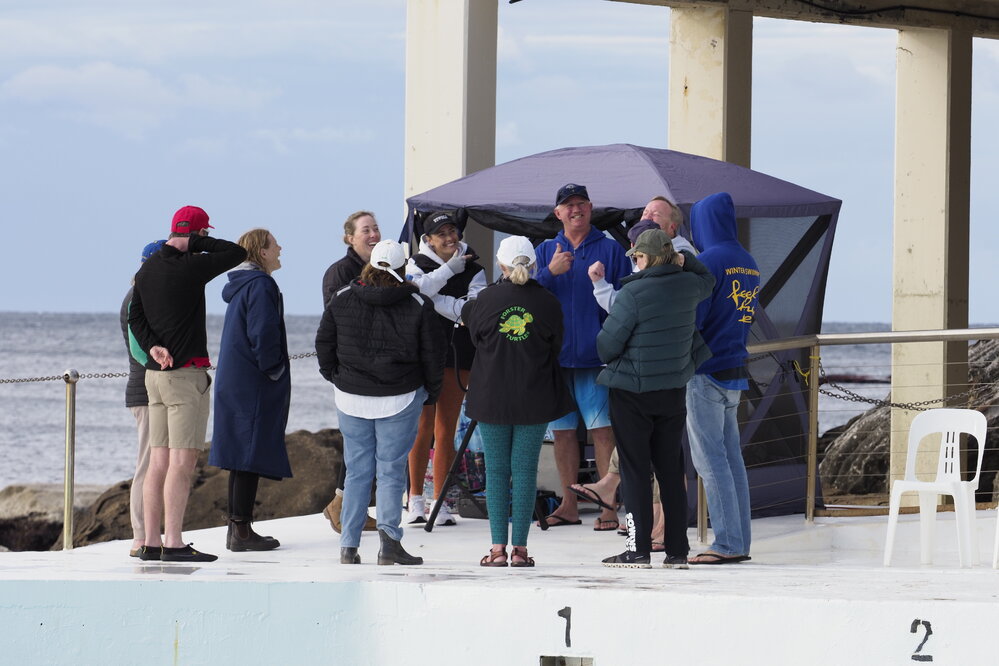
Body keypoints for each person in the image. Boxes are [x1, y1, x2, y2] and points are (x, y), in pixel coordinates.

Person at [128, 205, 247, 562]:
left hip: (155, 376)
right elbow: (237, 252)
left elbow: (135, 316)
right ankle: (175, 543)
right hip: (184, 377)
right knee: (181, 463)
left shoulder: (146, 269)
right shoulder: (192, 265)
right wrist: (194, 242)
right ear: (198, 233)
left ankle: (150, 541)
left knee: (158, 462)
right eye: (203, 234)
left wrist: (153, 346)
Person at [316, 239, 444, 565]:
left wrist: (336, 377)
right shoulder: (417, 303)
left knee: (357, 472)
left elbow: (323, 344)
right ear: (402, 268)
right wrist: (431, 391)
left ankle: (348, 546)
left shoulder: (342, 298)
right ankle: (389, 545)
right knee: (390, 473)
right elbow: (432, 354)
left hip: (350, 398)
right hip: (400, 398)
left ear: (369, 264)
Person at [596, 228, 714, 568]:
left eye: (638, 256)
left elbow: (606, 346)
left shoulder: (634, 294)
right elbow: (707, 278)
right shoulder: (688, 286)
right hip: (672, 391)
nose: (635, 261)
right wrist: (684, 260)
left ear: (649, 257)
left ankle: (638, 549)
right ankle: (677, 550)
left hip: (632, 394)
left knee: (635, 473)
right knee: (670, 470)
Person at [460, 236, 573, 567]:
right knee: (524, 471)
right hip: (534, 397)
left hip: (492, 397)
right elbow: (556, 347)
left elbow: (477, 339)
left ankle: (496, 550)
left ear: (501, 265)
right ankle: (521, 551)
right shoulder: (548, 302)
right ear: (534, 264)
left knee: (496, 471)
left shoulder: (486, 299)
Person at [534, 183, 631, 530]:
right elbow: (525, 295)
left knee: (603, 432)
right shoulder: (544, 251)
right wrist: (548, 273)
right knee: (562, 434)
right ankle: (569, 505)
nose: (575, 209)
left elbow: (628, 302)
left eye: (581, 203)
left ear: (591, 207)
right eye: (567, 205)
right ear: (557, 213)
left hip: (597, 360)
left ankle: (608, 507)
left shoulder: (611, 249)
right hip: (556, 362)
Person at [685, 192, 761, 565]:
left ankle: (727, 543)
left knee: (710, 461)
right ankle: (740, 541)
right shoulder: (748, 262)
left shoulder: (708, 261)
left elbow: (693, 320)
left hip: (705, 372)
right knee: (732, 461)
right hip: (735, 370)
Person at [209, 229, 290, 552]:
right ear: (262, 252)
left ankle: (238, 528)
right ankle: (241, 532)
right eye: (275, 244)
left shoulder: (243, 285)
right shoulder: (260, 284)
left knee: (242, 454)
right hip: (252, 381)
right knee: (248, 454)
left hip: (237, 378)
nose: (281, 248)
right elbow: (263, 331)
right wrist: (274, 369)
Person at [405, 211, 486, 526]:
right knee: (421, 429)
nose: (450, 238)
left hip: (458, 356)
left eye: (453, 232)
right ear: (428, 240)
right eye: (442, 234)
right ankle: (414, 501)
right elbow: (418, 290)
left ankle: (439, 501)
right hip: (421, 357)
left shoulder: (475, 270)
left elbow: (472, 312)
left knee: (446, 431)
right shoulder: (414, 265)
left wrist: (436, 299)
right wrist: (450, 271)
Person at [319, 211, 382, 534]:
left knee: (368, 443)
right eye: (365, 230)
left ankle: (346, 505)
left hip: (377, 372)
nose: (373, 234)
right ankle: (343, 506)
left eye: (376, 228)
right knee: (358, 442)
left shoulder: (381, 268)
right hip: (352, 373)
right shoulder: (340, 272)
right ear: (349, 238)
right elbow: (336, 324)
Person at [121, 239, 166, 558]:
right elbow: (142, 350)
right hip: (146, 390)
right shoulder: (137, 299)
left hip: (151, 389)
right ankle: (140, 535)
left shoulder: (143, 296)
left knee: (156, 463)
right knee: (148, 464)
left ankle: (151, 532)